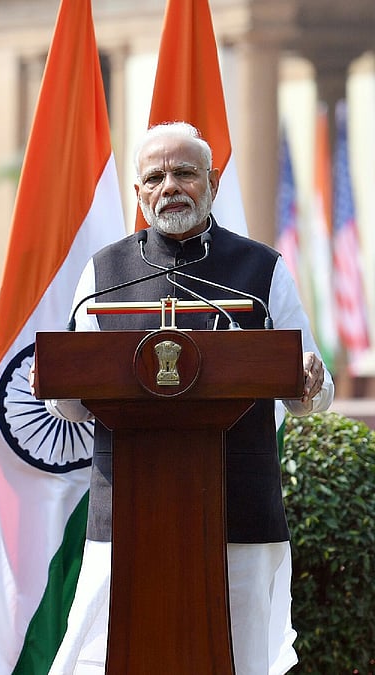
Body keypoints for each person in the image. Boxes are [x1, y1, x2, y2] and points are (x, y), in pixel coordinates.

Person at [45, 121, 333, 674]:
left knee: (241, 660)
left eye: (184, 173)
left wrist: (308, 382)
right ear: (138, 192)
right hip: (127, 509)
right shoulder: (104, 272)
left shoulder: (261, 268)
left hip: (238, 508)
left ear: (213, 181)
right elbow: (72, 401)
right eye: (154, 176)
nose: (169, 186)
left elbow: (313, 392)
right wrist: (61, 385)